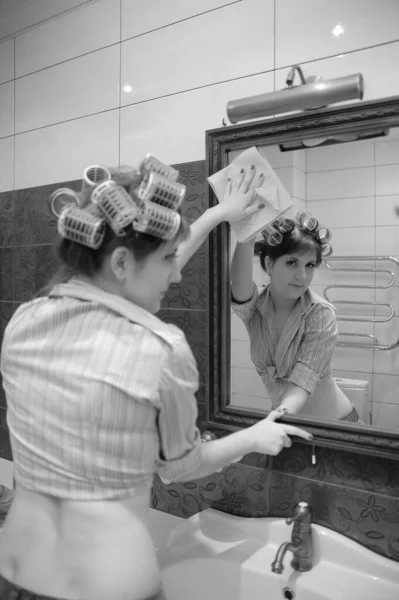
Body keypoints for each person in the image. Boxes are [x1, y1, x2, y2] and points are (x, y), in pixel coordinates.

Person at [0, 159, 312, 600]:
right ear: (122, 262)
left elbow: (121, 293)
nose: (178, 273)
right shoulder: (160, 349)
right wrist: (254, 437)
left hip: (16, 574)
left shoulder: (24, 322)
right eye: (168, 258)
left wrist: (218, 216)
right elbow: (182, 468)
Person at [230, 201, 364, 423]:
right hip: (285, 421)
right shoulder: (255, 310)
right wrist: (247, 230)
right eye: (292, 262)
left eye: (310, 265)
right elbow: (239, 285)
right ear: (269, 264)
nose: (302, 276)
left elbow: (300, 385)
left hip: (337, 426)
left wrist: (270, 422)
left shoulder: (320, 313)